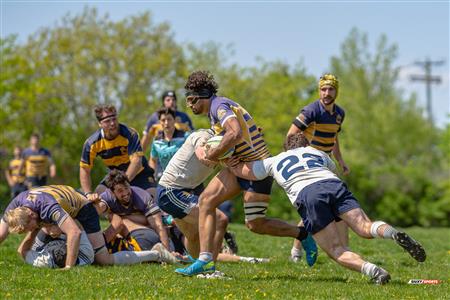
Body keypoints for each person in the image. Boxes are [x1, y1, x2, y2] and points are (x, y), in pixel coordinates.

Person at [227, 133, 426, 284]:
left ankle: (375, 272)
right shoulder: (318, 153)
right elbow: (332, 170)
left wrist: (232, 164)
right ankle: (392, 233)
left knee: (336, 250)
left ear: (286, 148)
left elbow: (249, 173)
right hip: (333, 184)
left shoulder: (275, 160)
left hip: (308, 194)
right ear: (306, 145)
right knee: (365, 227)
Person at [176, 71, 317, 276]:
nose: (189, 105)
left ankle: (302, 234)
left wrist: (214, 154)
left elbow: (234, 132)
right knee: (206, 201)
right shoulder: (215, 109)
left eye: (191, 100)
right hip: (239, 167)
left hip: (257, 169)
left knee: (255, 224)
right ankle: (206, 260)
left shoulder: (219, 106)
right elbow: (236, 138)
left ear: (203, 96)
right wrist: (225, 157)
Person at [155, 129, 269, 271]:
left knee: (193, 236)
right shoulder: (203, 136)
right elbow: (202, 156)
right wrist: (222, 160)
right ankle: (209, 268)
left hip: (181, 192)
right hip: (170, 192)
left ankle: (198, 269)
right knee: (220, 220)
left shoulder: (225, 146)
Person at [0, 185, 178, 268]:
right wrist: (38, 230)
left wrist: (68, 268)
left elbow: (74, 232)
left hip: (81, 209)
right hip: (55, 210)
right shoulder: (16, 206)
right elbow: (2, 233)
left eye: (28, 227)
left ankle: (156, 253)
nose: (29, 231)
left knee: (103, 260)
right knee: (34, 243)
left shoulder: (47, 208)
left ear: (31, 215)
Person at [286, 74, 350, 262]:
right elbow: (291, 135)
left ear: (336, 91)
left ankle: (344, 250)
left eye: (330, 89)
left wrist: (341, 161)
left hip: (327, 163)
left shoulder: (339, 114)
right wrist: (297, 159)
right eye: (323, 89)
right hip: (311, 164)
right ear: (318, 91)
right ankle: (298, 250)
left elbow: (334, 138)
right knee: (325, 206)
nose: (326, 93)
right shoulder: (311, 111)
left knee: (327, 206)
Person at [80, 104, 156, 196]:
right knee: (99, 197)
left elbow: (136, 162)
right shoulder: (91, 143)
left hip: (140, 174)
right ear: (99, 124)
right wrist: (88, 193)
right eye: (107, 121)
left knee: (152, 196)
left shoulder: (130, 134)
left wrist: (123, 184)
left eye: (114, 119)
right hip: (115, 176)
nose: (112, 123)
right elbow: (84, 169)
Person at [90, 169, 170, 250]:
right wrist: (93, 201)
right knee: (114, 219)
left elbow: (158, 226)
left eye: (126, 187)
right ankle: (98, 247)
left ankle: (100, 247)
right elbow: (97, 209)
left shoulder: (143, 197)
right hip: (135, 231)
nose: (125, 193)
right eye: (120, 191)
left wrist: (167, 251)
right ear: (112, 192)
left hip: (151, 229)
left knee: (114, 218)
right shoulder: (107, 196)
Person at [18, 225, 94, 268]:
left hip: (43, 243)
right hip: (68, 237)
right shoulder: (86, 256)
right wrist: (61, 227)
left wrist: (37, 227)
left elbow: (21, 250)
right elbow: (78, 228)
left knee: (44, 226)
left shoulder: (44, 261)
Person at [149, 107, 189, 180]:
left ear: (174, 120)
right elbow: (153, 160)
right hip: (167, 180)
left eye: (169, 119)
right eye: (163, 120)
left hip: (187, 179)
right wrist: (152, 176)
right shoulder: (157, 141)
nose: (166, 123)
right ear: (159, 122)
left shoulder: (185, 137)